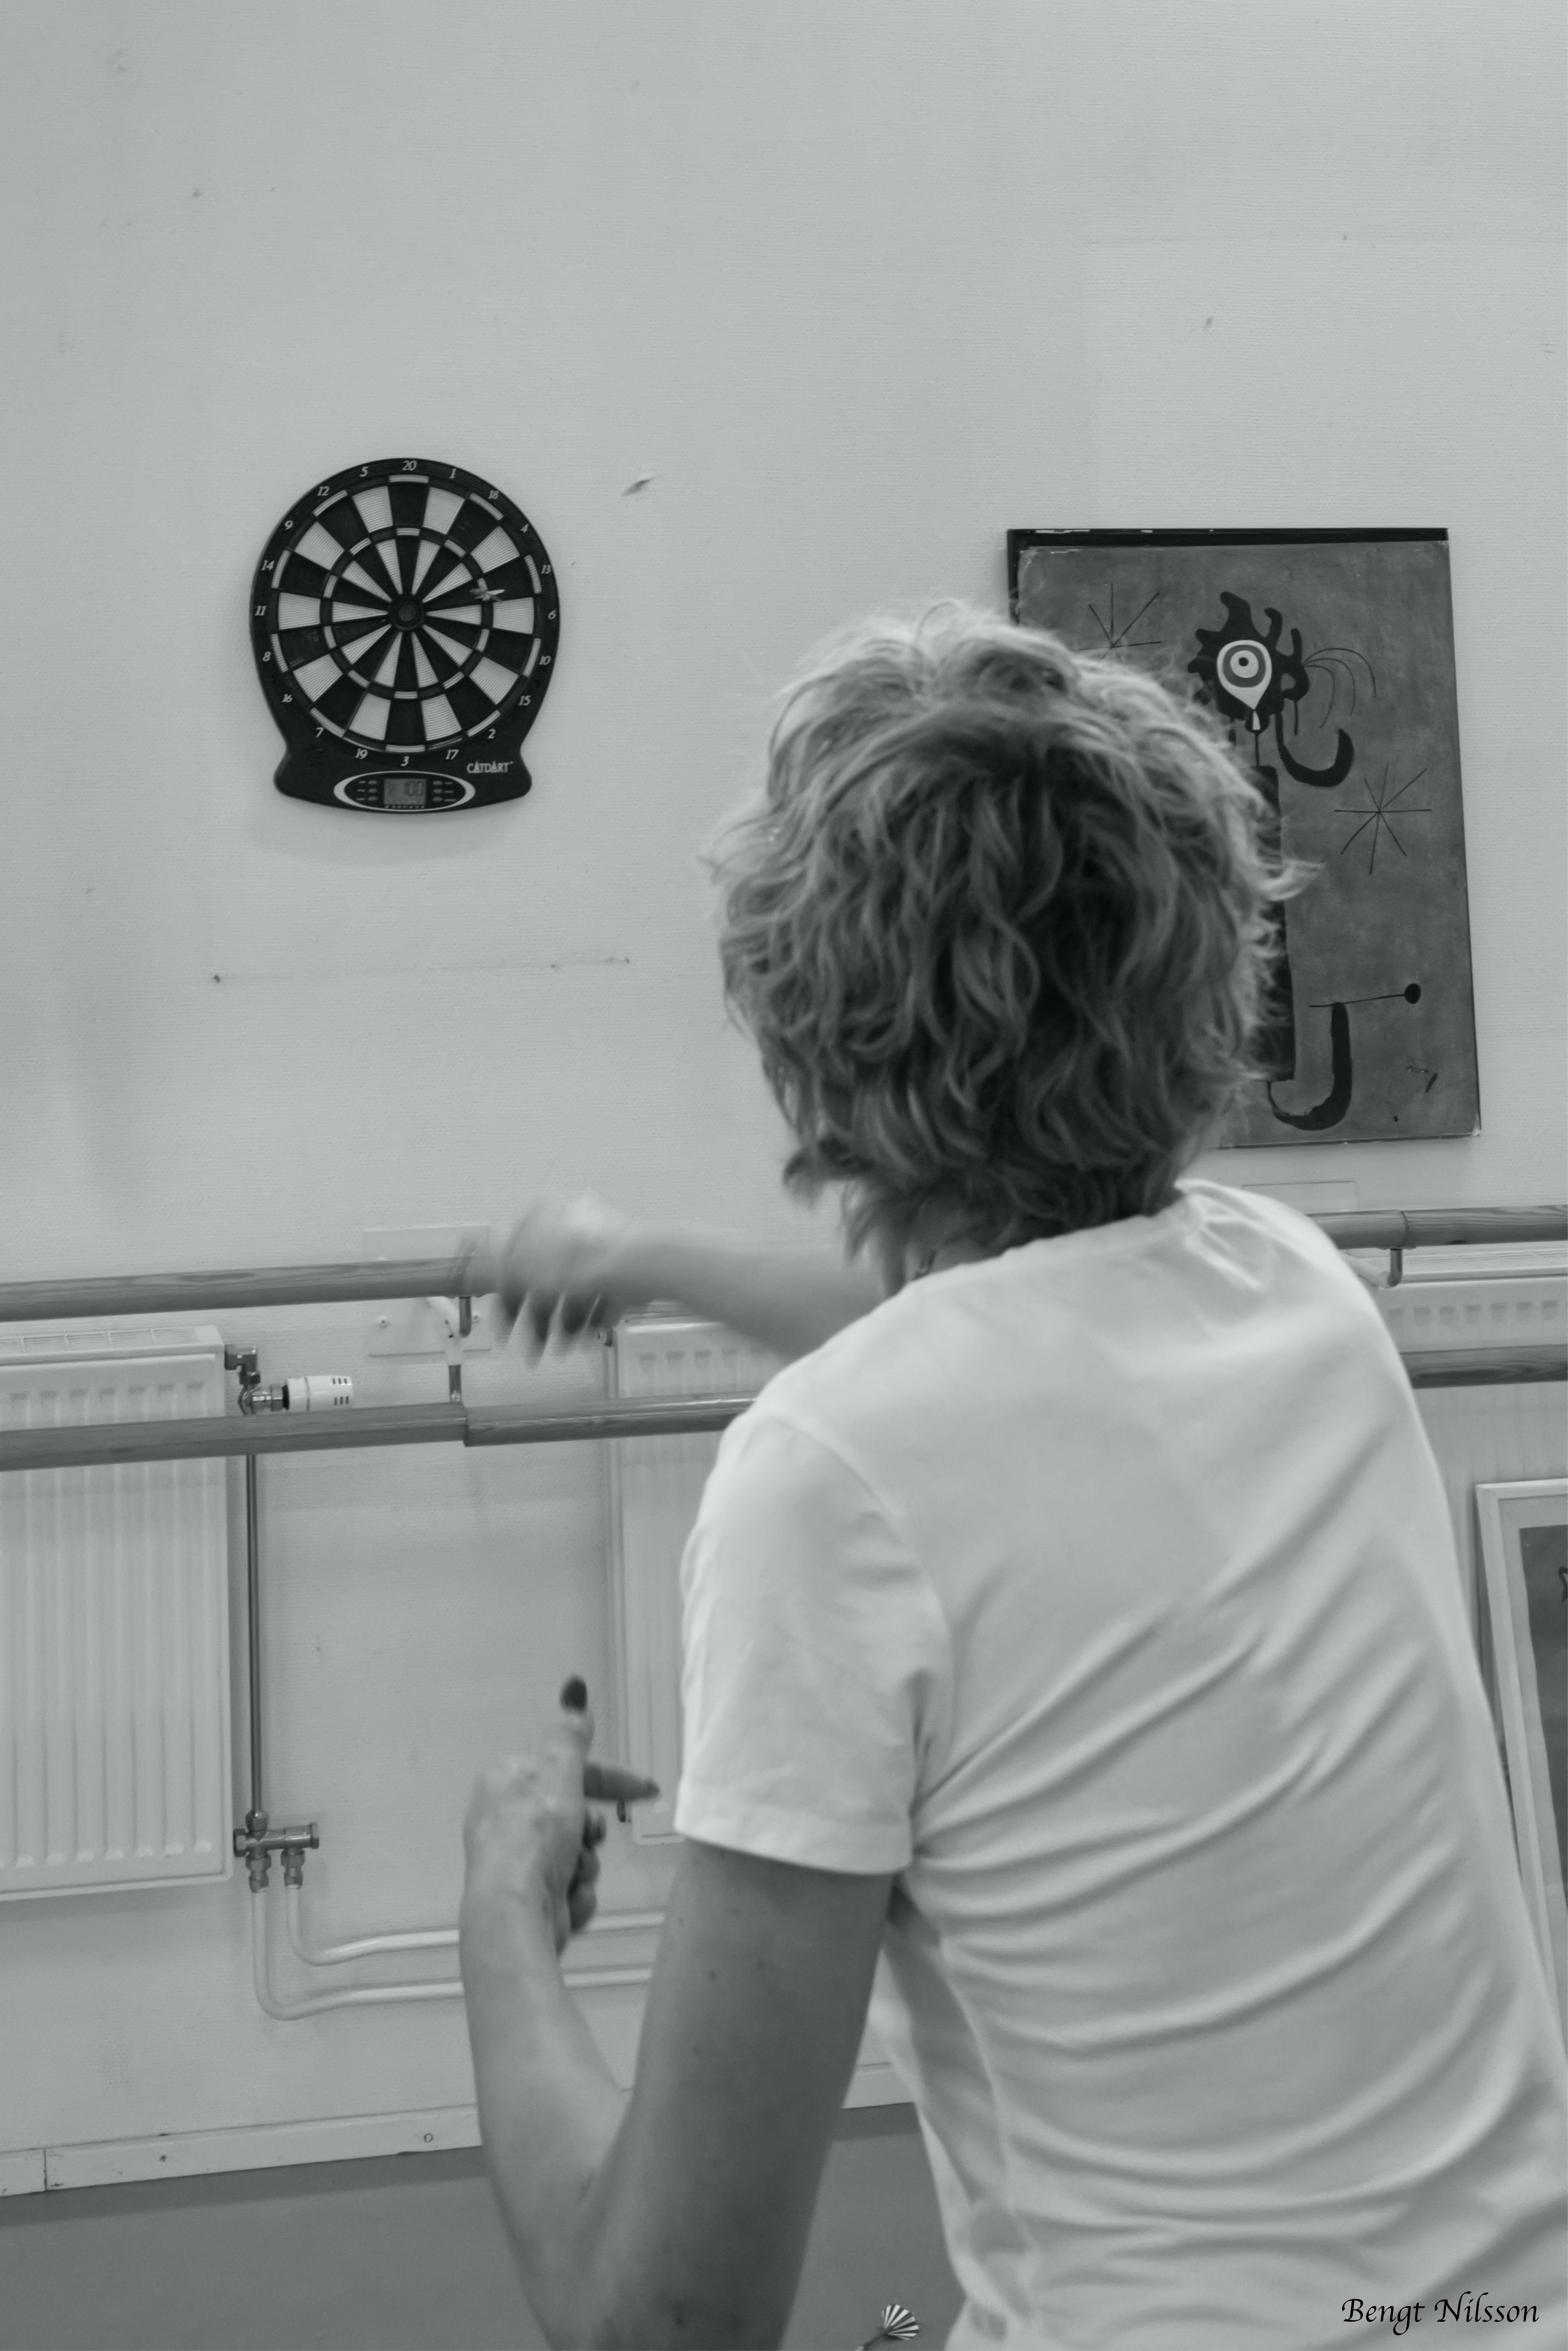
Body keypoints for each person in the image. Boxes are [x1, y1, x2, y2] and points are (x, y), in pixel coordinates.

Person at [456, 605, 1567, 2351]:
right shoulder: (1289, 1288)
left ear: (807, 1030)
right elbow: (996, 1346)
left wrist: (500, 1910)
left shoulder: (829, 1481)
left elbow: (658, 2317)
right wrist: (644, 1259)